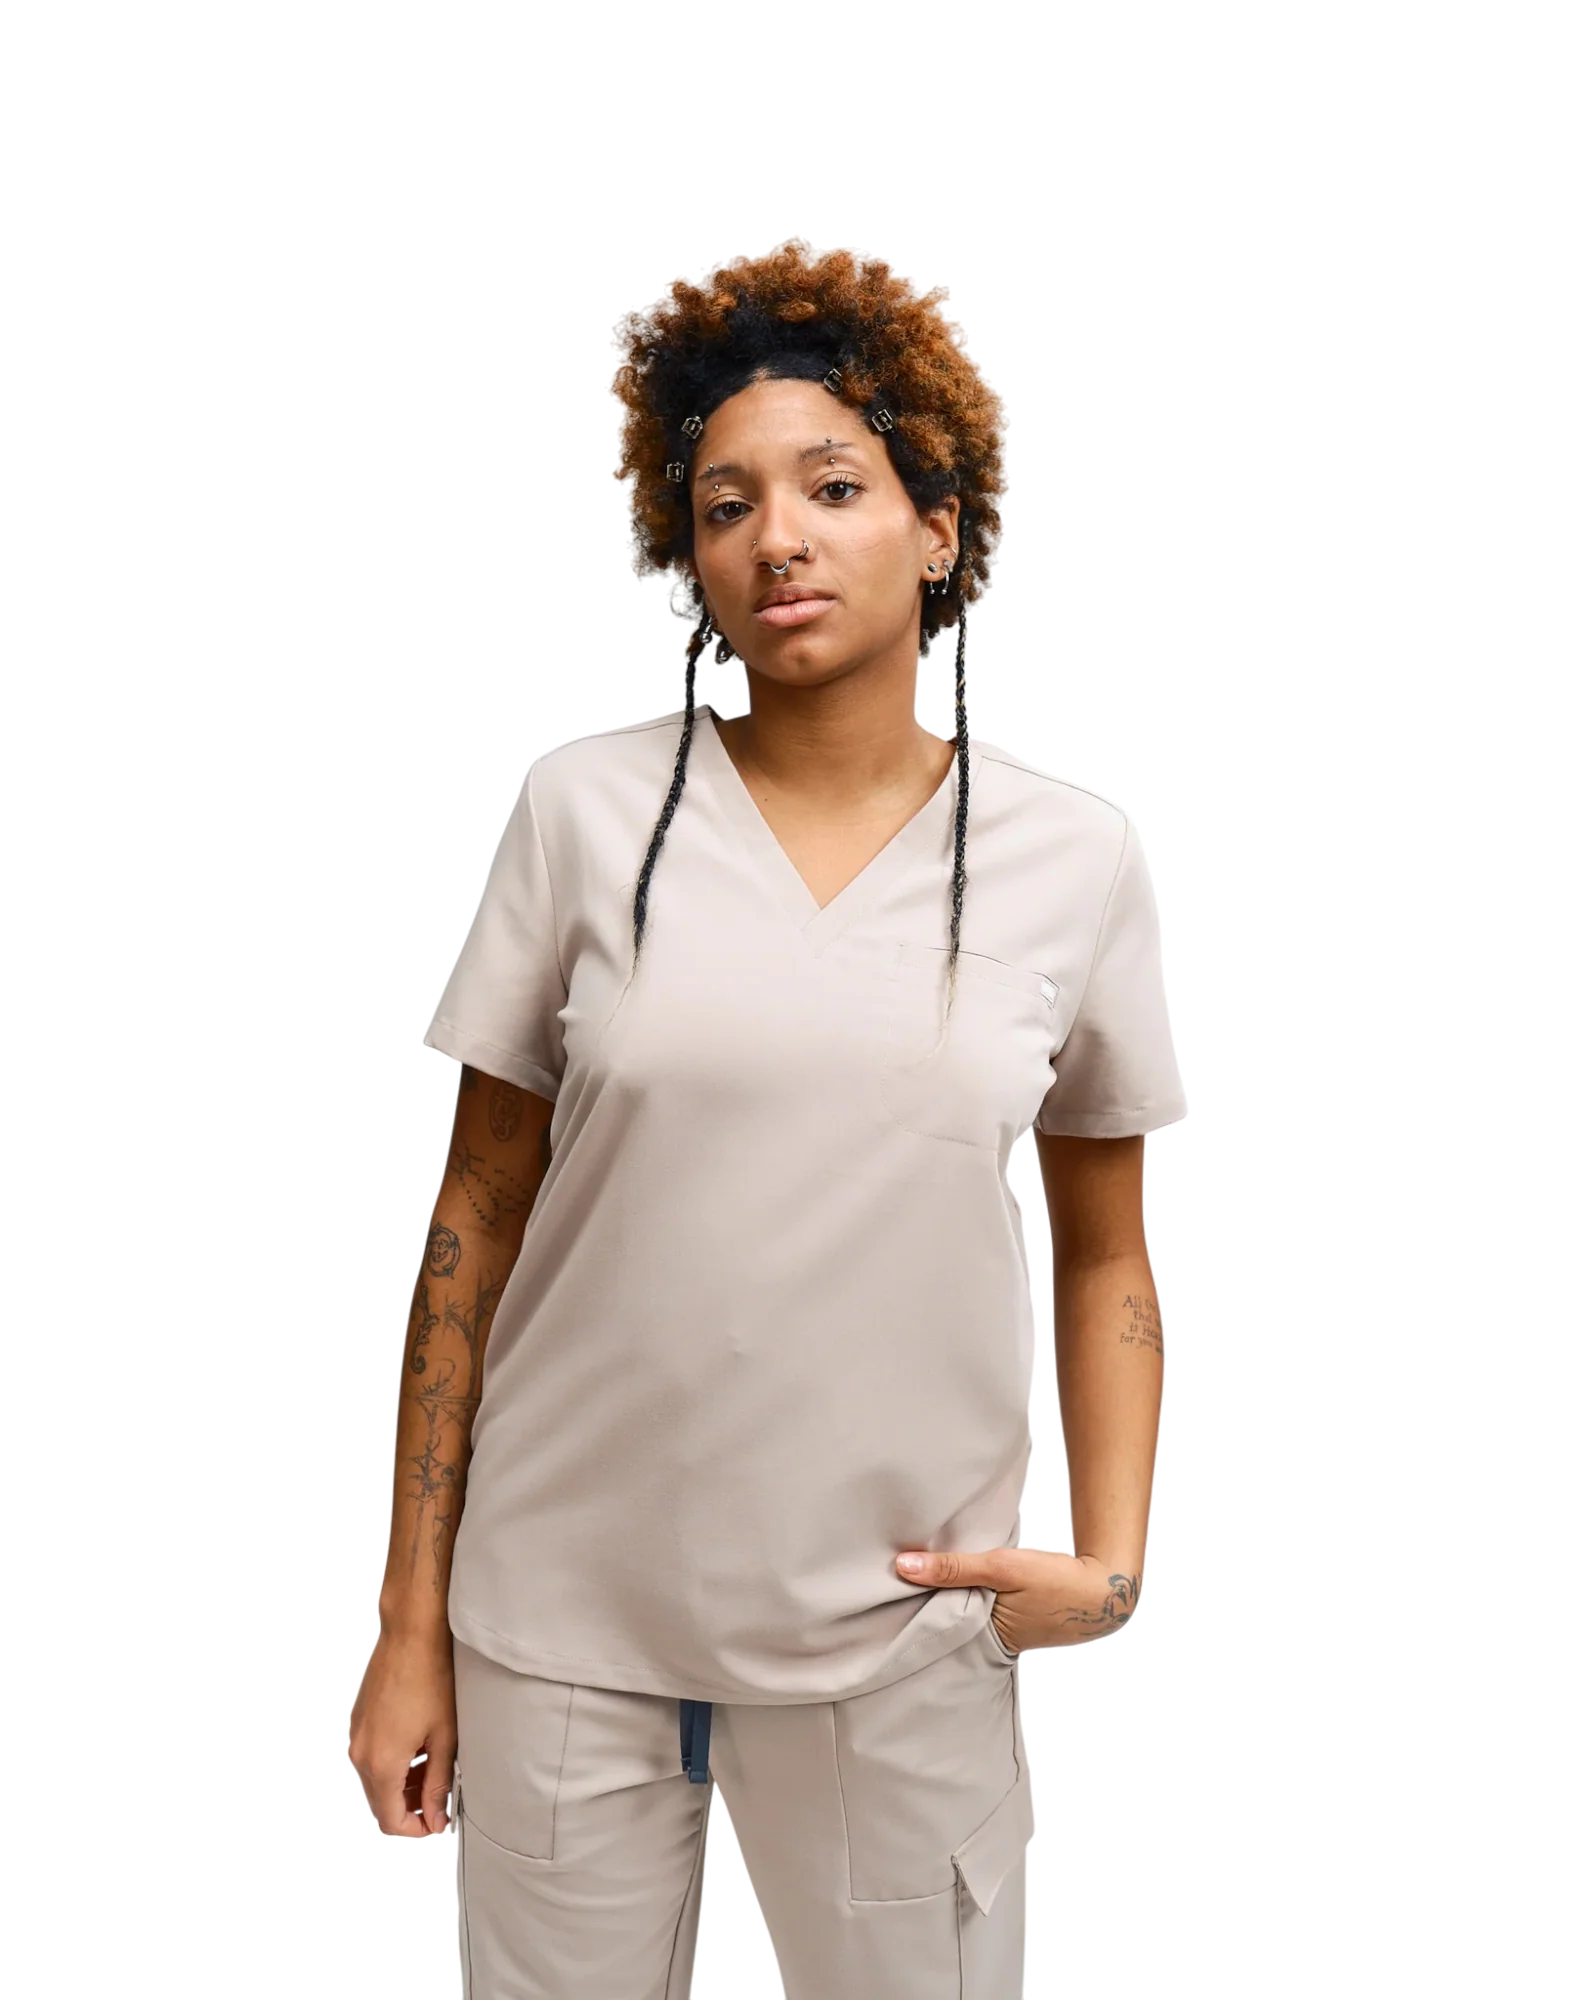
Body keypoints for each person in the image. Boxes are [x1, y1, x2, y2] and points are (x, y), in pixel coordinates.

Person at [348, 242, 1187, 1998]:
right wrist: (408, 1626)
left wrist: (1110, 1563)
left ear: (940, 530)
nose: (774, 539)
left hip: (904, 1632)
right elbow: (470, 1220)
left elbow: (1105, 1243)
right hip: (559, 1632)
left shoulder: (1079, 855)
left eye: (833, 488)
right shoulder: (578, 809)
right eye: (724, 506)